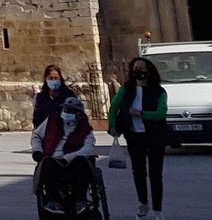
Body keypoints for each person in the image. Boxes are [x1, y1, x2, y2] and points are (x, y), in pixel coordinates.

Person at [108, 56, 169, 220]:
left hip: (155, 136)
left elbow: (161, 113)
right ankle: (143, 203)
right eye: (136, 68)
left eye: (141, 68)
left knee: (156, 173)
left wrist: (141, 114)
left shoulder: (159, 91)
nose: (138, 71)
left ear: (149, 71)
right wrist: (112, 125)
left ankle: (157, 209)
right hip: (134, 136)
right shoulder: (127, 89)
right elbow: (114, 106)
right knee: (139, 172)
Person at [32, 96, 98, 215]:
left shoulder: (85, 129)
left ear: (78, 114)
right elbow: (36, 135)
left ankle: (80, 201)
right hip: (53, 159)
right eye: (66, 110)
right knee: (47, 163)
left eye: (70, 111)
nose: (67, 113)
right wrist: (37, 150)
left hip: (73, 160)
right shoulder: (51, 121)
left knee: (81, 162)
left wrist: (68, 158)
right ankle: (54, 201)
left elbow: (88, 148)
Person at [32, 63, 77, 129]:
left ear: (60, 78)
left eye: (56, 78)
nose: (53, 80)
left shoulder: (69, 95)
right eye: (51, 78)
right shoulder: (41, 98)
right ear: (46, 79)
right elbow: (37, 119)